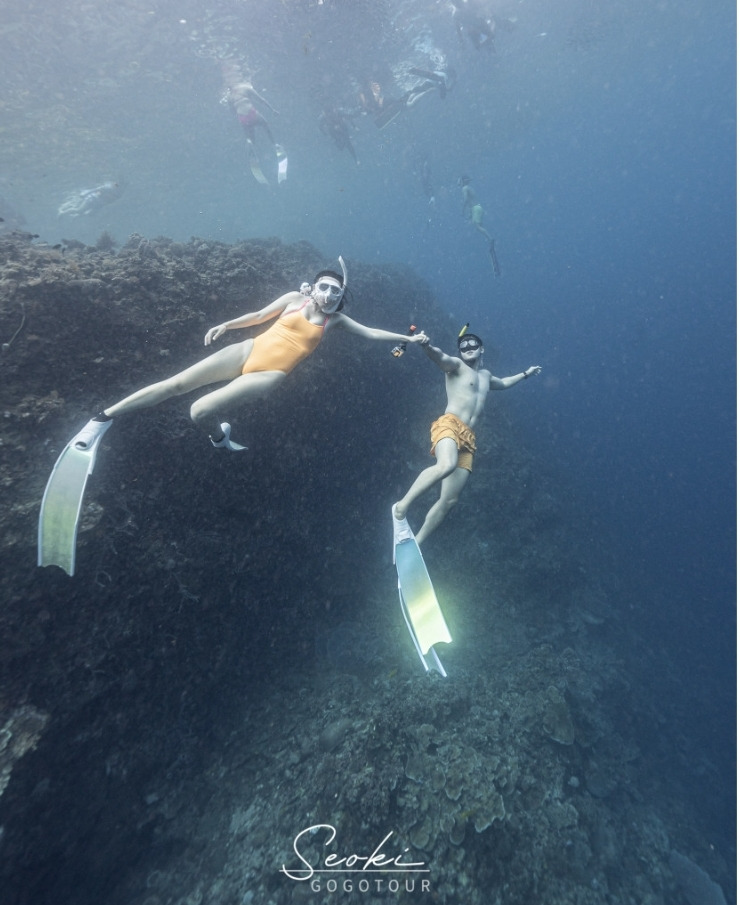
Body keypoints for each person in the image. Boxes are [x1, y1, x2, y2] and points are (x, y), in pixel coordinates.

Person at [92, 259, 426, 450]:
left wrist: (407, 339)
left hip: (269, 375)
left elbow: (371, 332)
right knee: (174, 385)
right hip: (247, 349)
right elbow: (257, 316)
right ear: (314, 286)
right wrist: (226, 325)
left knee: (197, 411)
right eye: (322, 286)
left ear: (341, 297)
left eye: (334, 291)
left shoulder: (335, 320)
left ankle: (219, 438)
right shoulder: (295, 298)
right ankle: (102, 418)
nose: (326, 293)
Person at [392, 330, 541, 545]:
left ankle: (417, 544)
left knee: (450, 500)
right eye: (463, 346)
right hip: (449, 424)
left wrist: (525, 374)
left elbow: (505, 382)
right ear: (460, 352)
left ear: (482, 349)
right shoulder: (456, 366)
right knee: (446, 465)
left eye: (472, 344)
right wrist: (426, 345)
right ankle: (401, 508)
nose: (468, 347)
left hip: (468, 438)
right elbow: (440, 357)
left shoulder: (486, 376)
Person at [460, 175, 501, 276]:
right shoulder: (470, 188)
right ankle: (489, 239)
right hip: (478, 208)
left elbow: (466, 200)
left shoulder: (464, 188)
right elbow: (471, 200)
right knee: (478, 226)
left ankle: (490, 239)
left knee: (478, 227)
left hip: (475, 208)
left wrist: (463, 210)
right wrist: (470, 214)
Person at [57, 182, 122, 218]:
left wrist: (98, 209)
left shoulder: (117, 196)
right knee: (79, 210)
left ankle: (73, 216)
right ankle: (62, 213)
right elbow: (95, 189)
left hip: (97, 205)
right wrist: (85, 194)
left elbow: (106, 203)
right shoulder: (107, 188)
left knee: (88, 215)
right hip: (91, 200)